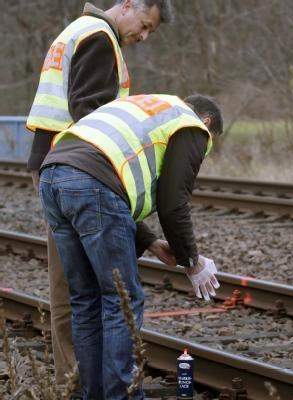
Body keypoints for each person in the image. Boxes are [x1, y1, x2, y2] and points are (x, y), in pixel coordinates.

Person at [26, 0, 173, 389]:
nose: (142, 37)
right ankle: (78, 384)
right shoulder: (98, 37)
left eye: (148, 33)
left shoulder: (78, 30)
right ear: (126, 4)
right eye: (143, 26)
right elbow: (91, 115)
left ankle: (78, 382)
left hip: (56, 165)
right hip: (73, 166)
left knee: (76, 288)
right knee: (80, 291)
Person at [39, 93, 223, 399]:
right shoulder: (192, 125)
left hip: (53, 175)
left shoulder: (150, 107)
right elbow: (173, 202)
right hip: (90, 182)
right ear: (207, 122)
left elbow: (108, 178)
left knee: (85, 298)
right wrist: (192, 262)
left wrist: (150, 242)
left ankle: (91, 394)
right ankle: (122, 395)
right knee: (122, 298)